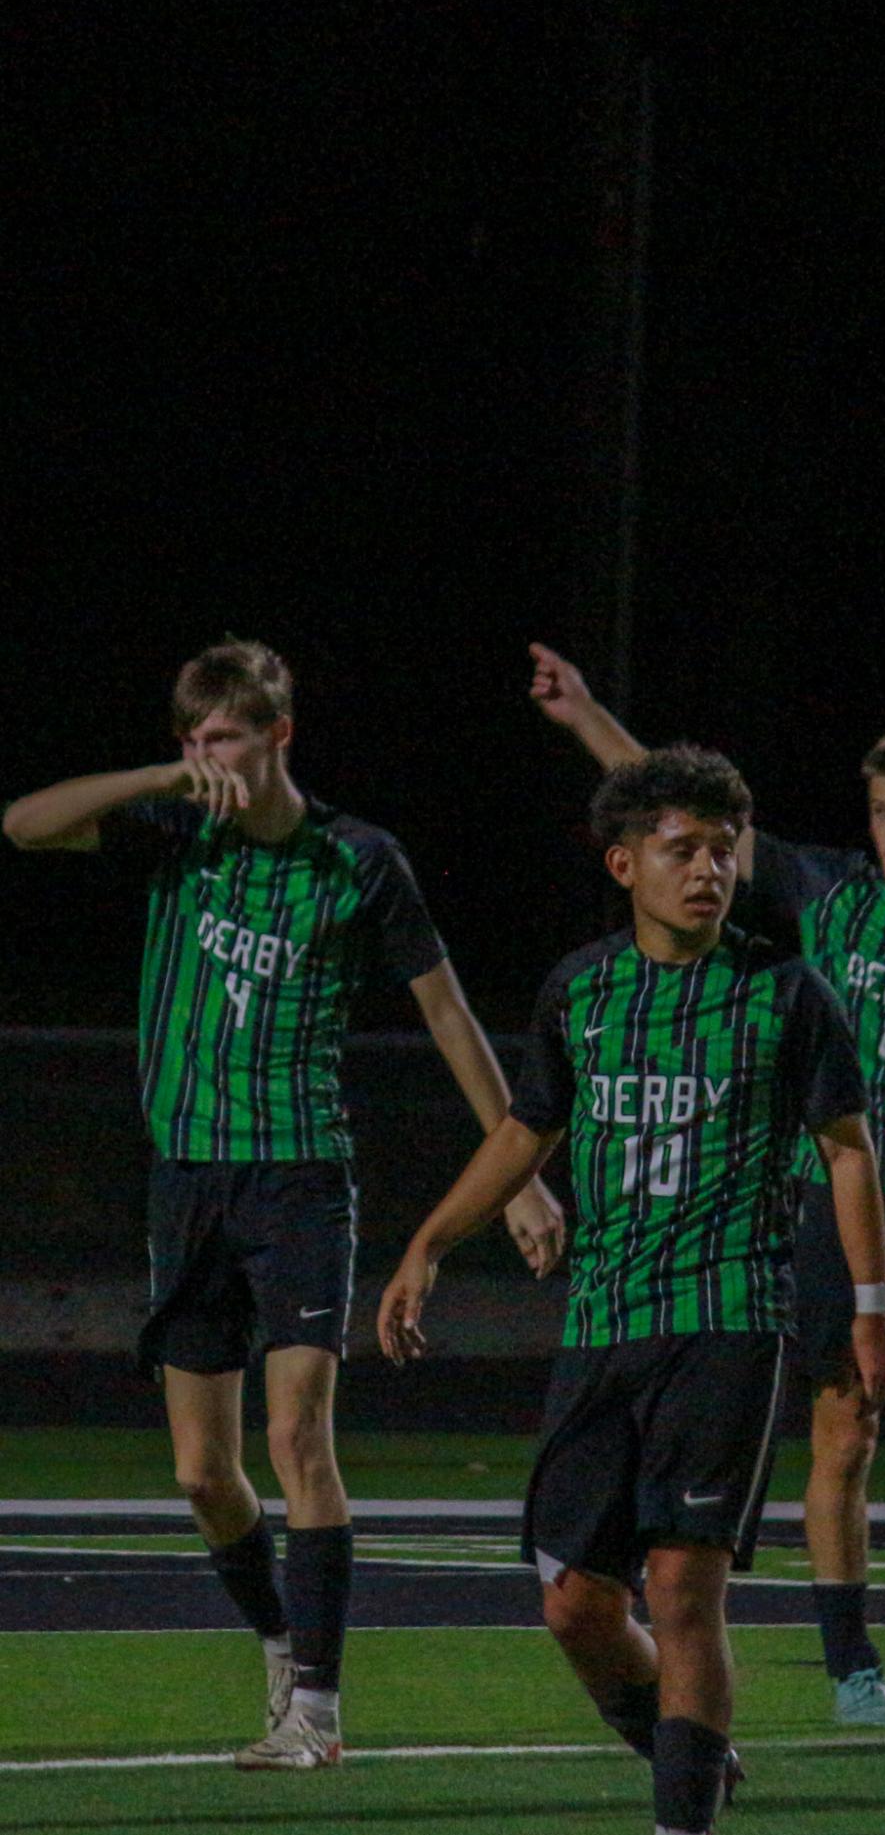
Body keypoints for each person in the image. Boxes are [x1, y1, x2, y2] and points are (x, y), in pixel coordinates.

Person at [527, 642, 885, 1727]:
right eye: (884, 811)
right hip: (835, 1204)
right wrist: (585, 716)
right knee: (844, 1434)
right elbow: (675, 811)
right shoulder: (826, 893)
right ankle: (851, 1662)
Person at [3, 637, 564, 1770]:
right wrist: (161, 779)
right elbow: (22, 823)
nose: (211, 756)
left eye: (229, 738)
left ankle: (317, 1706)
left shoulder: (358, 860)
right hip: (189, 1181)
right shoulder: (175, 830)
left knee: (298, 1434)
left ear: (280, 738)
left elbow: (450, 1017)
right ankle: (277, 1636)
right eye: (195, 739)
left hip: (302, 1176)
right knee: (202, 1476)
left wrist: (521, 1173)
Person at [378, 746, 885, 1835]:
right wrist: (429, 1240)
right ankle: (691, 1754)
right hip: (604, 1325)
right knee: (574, 1603)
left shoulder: (784, 993)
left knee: (682, 1589)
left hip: (728, 1322)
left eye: (722, 849)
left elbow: (847, 1152)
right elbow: (529, 1129)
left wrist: (870, 1307)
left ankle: (680, 1816)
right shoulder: (581, 989)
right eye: (681, 849)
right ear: (624, 864)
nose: (707, 868)